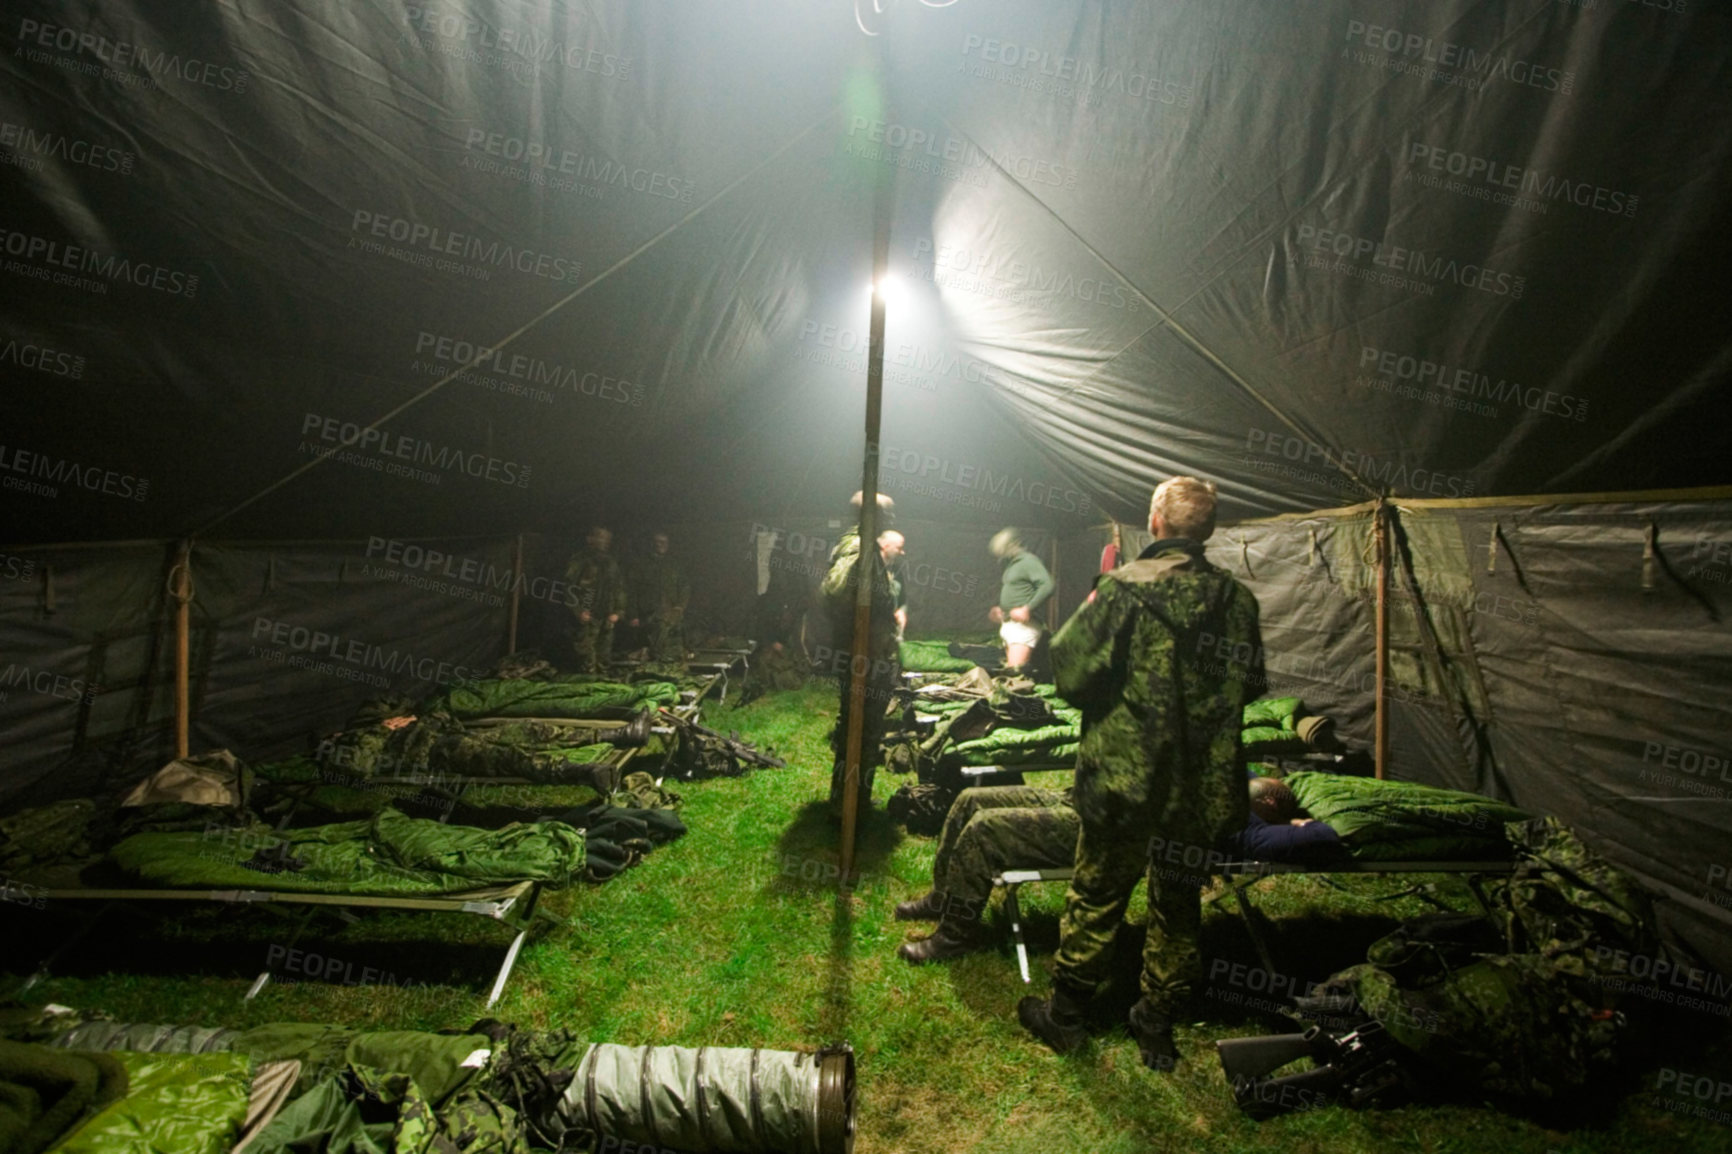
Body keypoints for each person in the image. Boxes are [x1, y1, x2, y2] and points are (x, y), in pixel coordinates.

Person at [1017, 476, 1263, 1072]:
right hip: (1198, 790)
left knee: (1098, 893)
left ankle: (1068, 1014)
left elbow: (1070, 673)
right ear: (1205, 530)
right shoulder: (1238, 602)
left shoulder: (1123, 591)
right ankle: (1156, 1023)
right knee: (1178, 905)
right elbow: (1250, 686)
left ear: (1156, 524)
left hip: (1126, 783)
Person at [895, 777, 1335, 965]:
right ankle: (944, 897)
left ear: (1272, 806)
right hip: (1088, 799)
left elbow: (1322, 838)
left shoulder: (1250, 826)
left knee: (985, 831)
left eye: (1268, 791)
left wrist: (1303, 823)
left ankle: (955, 935)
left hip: (1104, 833)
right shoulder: (1231, 775)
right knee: (972, 799)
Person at [819, 492, 900, 817]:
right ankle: (852, 805)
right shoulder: (859, 549)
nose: (890, 521)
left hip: (864, 653)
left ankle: (849, 798)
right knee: (863, 731)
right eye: (888, 515)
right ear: (874, 516)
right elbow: (834, 592)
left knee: (855, 726)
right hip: (865, 657)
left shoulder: (855, 545)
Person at [988, 529, 1054, 671]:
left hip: (1023, 627)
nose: (1002, 554)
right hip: (1011, 625)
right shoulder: (1013, 565)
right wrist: (1002, 611)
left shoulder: (1028, 561)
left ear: (1015, 544)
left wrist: (1027, 608)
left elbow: (1047, 585)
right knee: (1013, 671)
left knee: (1015, 674)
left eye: (1004, 549)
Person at [566, 526, 627, 673]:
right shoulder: (580, 561)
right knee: (586, 657)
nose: (605, 542)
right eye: (601, 538)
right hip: (587, 615)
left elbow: (619, 589)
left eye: (608, 539)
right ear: (590, 539)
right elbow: (568, 589)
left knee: (604, 657)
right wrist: (579, 611)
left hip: (606, 616)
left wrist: (618, 612)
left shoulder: (611, 563)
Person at [628, 531, 691, 663]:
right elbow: (632, 590)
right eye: (657, 542)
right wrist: (633, 614)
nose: (660, 545)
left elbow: (684, 588)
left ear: (668, 545)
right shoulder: (640, 565)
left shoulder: (675, 566)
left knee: (672, 641)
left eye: (663, 542)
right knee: (650, 640)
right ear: (651, 544)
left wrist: (680, 607)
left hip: (671, 611)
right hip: (647, 612)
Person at [879, 530, 908, 639]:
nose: (902, 552)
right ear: (885, 546)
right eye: (898, 548)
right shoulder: (869, 569)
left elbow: (902, 599)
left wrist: (901, 611)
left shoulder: (896, 570)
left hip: (890, 633)